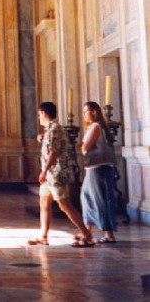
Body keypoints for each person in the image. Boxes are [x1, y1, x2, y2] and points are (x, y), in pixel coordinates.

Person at [27, 101, 94, 247]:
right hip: (49, 175)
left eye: (39, 115)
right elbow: (50, 142)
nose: (39, 118)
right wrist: (42, 137)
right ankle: (43, 236)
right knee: (44, 203)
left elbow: (54, 151)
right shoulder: (50, 130)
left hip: (55, 174)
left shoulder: (54, 129)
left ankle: (87, 235)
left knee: (65, 205)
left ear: (44, 113)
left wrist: (44, 171)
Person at [80, 101, 117, 243]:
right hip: (95, 167)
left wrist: (83, 146)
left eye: (86, 111)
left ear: (94, 112)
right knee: (88, 197)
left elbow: (85, 148)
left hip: (98, 168)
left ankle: (108, 234)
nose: (84, 115)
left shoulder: (95, 126)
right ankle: (88, 231)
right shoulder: (96, 127)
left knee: (99, 199)